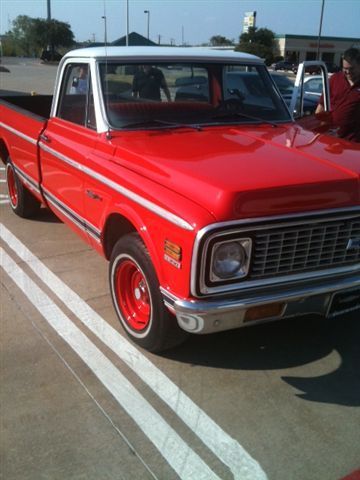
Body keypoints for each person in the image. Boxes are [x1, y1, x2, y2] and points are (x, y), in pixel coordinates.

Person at [315, 48, 360, 142]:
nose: (348, 72)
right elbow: (321, 106)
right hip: (330, 139)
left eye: (352, 69)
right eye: (345, 69)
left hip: (353, 143)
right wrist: (320, 131)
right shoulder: (335, 79)